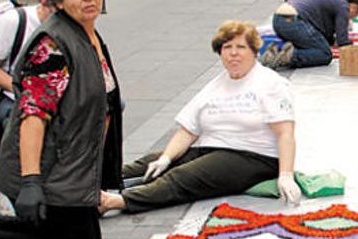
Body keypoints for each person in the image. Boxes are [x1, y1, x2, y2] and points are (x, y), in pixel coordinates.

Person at [0, 0, 123, 239]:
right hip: (50, 171)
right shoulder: (52, 45)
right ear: (59, 0)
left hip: (74, 170)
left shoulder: (88, 35)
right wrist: (31, 183)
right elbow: (33, 116)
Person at [100, 21, 300, 214]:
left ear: (254, 52)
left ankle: (116, 202)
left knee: (183, 177)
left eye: (241, 47)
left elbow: (285, 133)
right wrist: (166, 158)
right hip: (210, 148)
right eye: (227, 47)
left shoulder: (270, 84)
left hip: (254, 155)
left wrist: (286, 175)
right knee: (147, 164)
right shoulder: (215, 85)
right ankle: (94, 184)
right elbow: (188, 130)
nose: (233, 54)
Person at [0, 0, 55, 127]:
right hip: (9, 96)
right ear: (44, 2)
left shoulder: (69, 29)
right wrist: (22, 90)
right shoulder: (14, 21)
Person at [267, 0, 358, 69]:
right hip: (294, 21)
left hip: (278, 19)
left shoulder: (333, 1)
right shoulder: (343, 7)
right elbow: (342, 41)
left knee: (314, 46)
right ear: (354, 7)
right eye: (357, 13)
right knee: (325, 54)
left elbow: (323, 34)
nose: (353, 17)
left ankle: (277, 51)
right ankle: (289, 56)